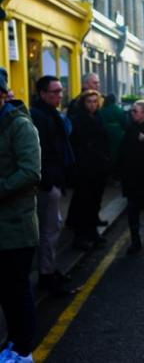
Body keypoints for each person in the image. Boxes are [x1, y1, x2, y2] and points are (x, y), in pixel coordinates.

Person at [0, 73, 41, 362]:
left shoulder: (20, 126)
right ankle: (13, 343)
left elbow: (31, 172)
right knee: (6, 292)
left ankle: (24, 350)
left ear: (3, 94)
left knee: (17, 291)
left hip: (16, 226)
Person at [30, 76, 75, 297]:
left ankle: (49, 270)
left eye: (61, 91)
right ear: (42, 94)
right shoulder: (39, 116)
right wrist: (48, 183)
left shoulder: (52, 114)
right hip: (48, 183)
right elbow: (42, 153)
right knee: (49, 230)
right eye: (55, 92)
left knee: (53, 227)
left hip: (54, 179)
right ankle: (46, 276)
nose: (60, 95)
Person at [67, 90, 111, 251]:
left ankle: (92, 233)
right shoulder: (78, 120)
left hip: (99, 167)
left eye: (95, 101)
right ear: (83, 103)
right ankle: (80, 237)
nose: (92, 104)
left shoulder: (99, 117)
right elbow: (76, 145)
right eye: (89, 101)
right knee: (83, 204)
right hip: (85, 169)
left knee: (95, 203)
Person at [118, 100, 144, 254]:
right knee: (132, 210)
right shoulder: (130, 129)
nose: (132, 113)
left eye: (135, 110)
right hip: (132, 178)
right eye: (132, 110)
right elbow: (123, 152)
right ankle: (135, 242)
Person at [100, 94, 126, 176]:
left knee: (107, 152)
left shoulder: (102, 110)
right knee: (116, 153)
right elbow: (124, 122)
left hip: (104, 133)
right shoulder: (118, 109)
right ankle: (115, 174)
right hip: (117, 133)